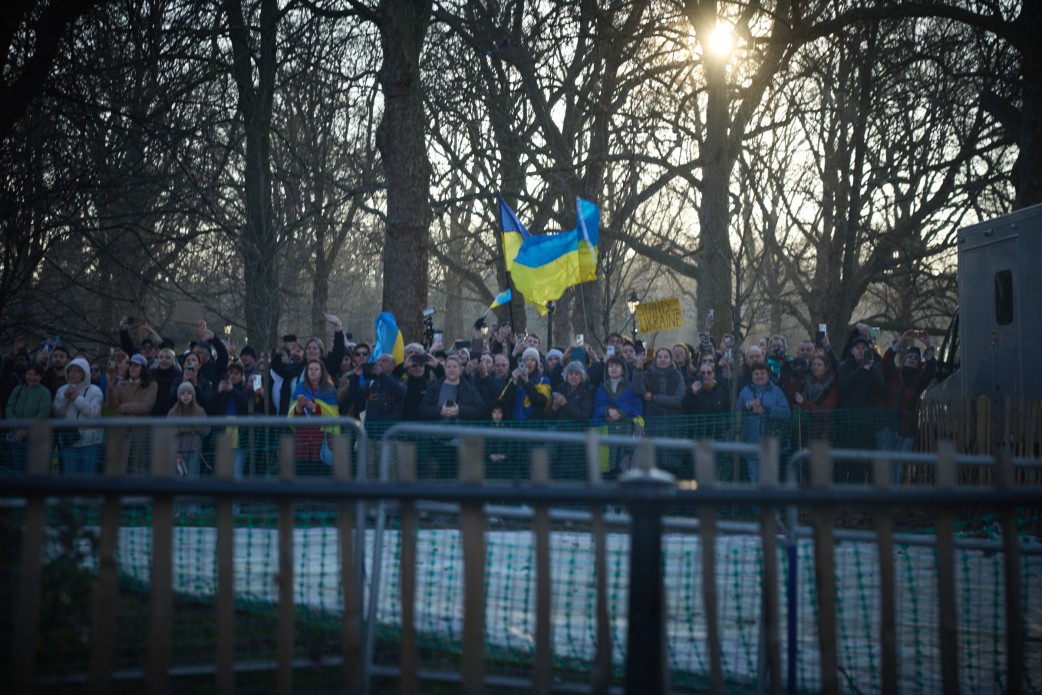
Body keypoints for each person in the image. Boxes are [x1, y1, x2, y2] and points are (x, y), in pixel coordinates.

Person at [879, 330, 937, 476]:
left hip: (906, 428)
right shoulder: (893, 374)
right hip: (887, 425)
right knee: (884, 465)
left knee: (898, 466)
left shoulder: (919, 381)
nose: (912, 359)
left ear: (919, 364)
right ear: (903, 360)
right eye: (909, 357)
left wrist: (928, 344)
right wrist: (902, 339)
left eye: (915, 358)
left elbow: (931, 369)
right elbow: (886, 360)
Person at [735, 362, 791, 482]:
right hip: (750, 442)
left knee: (770, 480)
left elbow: (786, 412)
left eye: (762, 373)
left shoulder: (777, 391)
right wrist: (748, 405)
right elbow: (737, 410)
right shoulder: (745, 391)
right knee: (754, 478)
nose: (759, 376)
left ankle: (770, 500)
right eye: (756, 374)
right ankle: (756, 501)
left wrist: (765, 410)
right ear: (751, 376)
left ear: (768, 375)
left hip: (771, 443)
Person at [592, 355, 645, 477]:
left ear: (623, 369)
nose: (613, 368)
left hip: (626, 432)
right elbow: (597, 407)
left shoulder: (631, 387)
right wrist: (607, 411)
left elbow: (638, 407)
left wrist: (621, 413)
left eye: (617, 365)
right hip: (607, 434)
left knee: (623, 468)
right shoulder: (601, 388)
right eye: (610, 366)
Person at [106, 353, 158, 474]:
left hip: (140, 431)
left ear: (143, 368)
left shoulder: (151, 385)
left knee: (138, 466)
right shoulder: (121, 384)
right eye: (130, 365)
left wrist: (123, 407)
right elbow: (113, 405)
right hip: (122, 429)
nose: (132, 368)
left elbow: (146, 407)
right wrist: (110, 387)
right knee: (119, 466)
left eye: (136, 366)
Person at [52, 357, 105, 475]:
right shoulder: (61, 390)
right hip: (68, 442)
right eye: (70, 370)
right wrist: (64, 399)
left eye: (77, 371)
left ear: (85, 373)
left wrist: (77, 398)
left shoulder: (95, 391)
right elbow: (57, 414)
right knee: (70, 479)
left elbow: (93, 414)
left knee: (89, 479)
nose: (73, 374)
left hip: (90, 443)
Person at [288, 359, 340, 475]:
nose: (313, 372)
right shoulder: (299, 389)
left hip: (322, 444)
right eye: (310, 369)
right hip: (302, 445)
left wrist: (314, 407)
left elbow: (332, 415)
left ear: (322, 373)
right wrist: (299, 409)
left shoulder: (330, 390)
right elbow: (293, 418)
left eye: (316, 369)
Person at [549, 361, 595, 479]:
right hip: (559, 439)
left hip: (577, 441)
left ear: (582, 376)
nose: (573, 376)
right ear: (566, 376)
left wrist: (565, 404)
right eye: (570, 374)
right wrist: (554, 408)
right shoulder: (560, 389)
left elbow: (584, 415)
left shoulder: (587, 392)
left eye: (576, 374)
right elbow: (549, 417)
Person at [4, 362, 51, 472]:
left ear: (40, 376)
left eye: (35, 375)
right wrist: (17, 428)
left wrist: (25, 430)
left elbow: (44, 413)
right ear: (25, 375)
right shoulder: (18, 389)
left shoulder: (44, 392)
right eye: (29, 374)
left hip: (34, 439)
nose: (32, 377)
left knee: (34, 471)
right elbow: (9, 408)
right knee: (17, 470)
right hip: (16, 437)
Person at [791, 354, 839, 446]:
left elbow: (825, 412)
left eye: (819, 365)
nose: (815, 367)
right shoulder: (806, 381)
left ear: (826, 368)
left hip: (823, 430)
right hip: (805, 429)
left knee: (819, 458)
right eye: (814, 364)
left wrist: (804, 403)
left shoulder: (832, 385)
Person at [497, 347, 551, 421]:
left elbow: (539, 401)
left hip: (533, 424)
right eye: (526, 360)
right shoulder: (515, 380)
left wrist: (527, 382)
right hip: (514, 423)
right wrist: (514, 382)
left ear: (537, 364)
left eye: (532, 360)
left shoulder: (543, 380)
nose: (529, 362)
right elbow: (504, 402)